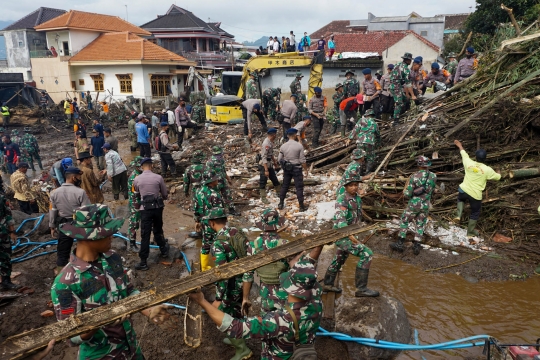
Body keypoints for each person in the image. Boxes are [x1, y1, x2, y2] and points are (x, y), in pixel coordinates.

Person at [51, 204, 173, 360]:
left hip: (131, 348)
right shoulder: (64, 284)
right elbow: (71, 337)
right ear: (89, 237)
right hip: (100, 355)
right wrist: (103, 318)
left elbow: (129, 292)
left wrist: (148, 310)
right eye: (107, 232)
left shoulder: (113, 259)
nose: (112, 235)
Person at [189, 246, 323, 360]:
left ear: (288, 287)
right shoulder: (317, 302)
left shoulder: (279, 320)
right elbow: (307, 277)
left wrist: (202, 301)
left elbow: (234, 326)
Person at [206, 207, 253, 359]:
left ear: (212, 223)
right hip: (243, 282)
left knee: (226, 317)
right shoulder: (236, 231)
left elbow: (223, 275)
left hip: (231, 286)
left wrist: (218, 299)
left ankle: (242, 349)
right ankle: (239, 338)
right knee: (238, 311)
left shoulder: (218, 244)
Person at [322, 174, 379, 297]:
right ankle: (361, 289)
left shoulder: (357, 198)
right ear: (346, 186)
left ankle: (327, 284)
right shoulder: (342, 199)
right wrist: (350, 235)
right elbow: (340, 220)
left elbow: (357, 217)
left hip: (351, 234)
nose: (354, 187)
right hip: (343, 236)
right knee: (367, 254)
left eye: (356, 185)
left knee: (339, 259)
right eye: (351, 185)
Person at [243, 209, 289, 316]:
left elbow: (247, 275)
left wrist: (245, 298)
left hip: (265, 294)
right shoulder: (286, 244)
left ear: (262, 225)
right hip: (284, 294)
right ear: (278, 224)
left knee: (267, 324)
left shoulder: (253, 246)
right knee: (285, 323)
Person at [453, 140, 501, 237]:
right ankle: (470, 233)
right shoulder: (488, 170)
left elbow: (464, 154)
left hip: (464, 189)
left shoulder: (468, 163)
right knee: (475, 212)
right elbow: (498, 177)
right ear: (485, 158)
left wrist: (460, 145)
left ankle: (458, 215)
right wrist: (499, 171)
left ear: (476, 157)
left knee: (460, 199)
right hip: (475, 195)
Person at [390, 156, 437, 254]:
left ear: (419, 165)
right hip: (425, 204)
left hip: (414, 204)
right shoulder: (433, 176)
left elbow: (408, 194)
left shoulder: (414, 176)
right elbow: (433, 190)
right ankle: (416, 245)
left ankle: (400, 243)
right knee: (420, 223)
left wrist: (406, 192)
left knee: (405, 220)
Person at [49, 166, 91, 270]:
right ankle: (84, 270)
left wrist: (52, 226)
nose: (80, 179)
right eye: (78, 177)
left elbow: (53, 210)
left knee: (63, 251)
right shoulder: (80, 192)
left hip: (64, 225)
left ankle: (61, 274)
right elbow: (87, 211)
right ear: (73, 178)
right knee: (84, 247)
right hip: (80, 223)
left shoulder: (54, 192)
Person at [132, 158, 170, 270]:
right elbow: (164, 194)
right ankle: (164, 250)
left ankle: (143, 262)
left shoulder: (137, 179)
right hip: (157, 208)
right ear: (151, 166)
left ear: (142, 167)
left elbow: (136, 194)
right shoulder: (158, 178)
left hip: (145, 209)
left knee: (145, 234)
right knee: (158, 230)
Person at [194, 169, 225, 271]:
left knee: (205, 244)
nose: (217, 180)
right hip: (213, 223)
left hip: (203, 222)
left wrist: (197, 221)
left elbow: (196, 208)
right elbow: (220, 212)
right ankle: (219, 264)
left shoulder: (198, 192)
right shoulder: (214, 194)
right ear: (211, 181)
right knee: (218, 243)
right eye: (215, 179)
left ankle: (204, 267)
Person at [278, 128, 308, 211]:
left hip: (287, 168)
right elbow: (302, 160)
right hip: (297, 168)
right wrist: (306, 169)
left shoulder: (283, 146)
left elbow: (279, 159)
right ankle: (301, 206)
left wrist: (284, 165)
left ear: (287, 135)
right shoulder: (299, 145)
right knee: (299, 187)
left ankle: (281, 203)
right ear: (295, 135)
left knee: (285, 186)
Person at [207, 146, 239, 216]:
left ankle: (231, 210)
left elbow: (223, 170)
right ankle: (218, 212)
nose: (220, 155)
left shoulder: (221, 160)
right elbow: (208, 175)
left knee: (227, 195)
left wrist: (228, 179)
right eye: (218, 154)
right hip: (215, 183)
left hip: (223, 181)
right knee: (216, 198)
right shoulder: (210, 162)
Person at [346, 108, 380, 173]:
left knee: (360, 157)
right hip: (370, 142)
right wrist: (378, 144)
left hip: (360, 142)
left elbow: (355, 130)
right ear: (372, 115)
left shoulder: (361, 120)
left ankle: (359, 172)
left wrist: (349, 139)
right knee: (370, 158)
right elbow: (378, 135)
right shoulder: (375, 123)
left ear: (366, 115)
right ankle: (367, 172)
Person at [0, 193, 21, 290]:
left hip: (2, 233)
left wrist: (12, 231)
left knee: (5, 257)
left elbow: (8, 214)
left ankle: (6, 281)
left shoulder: (1, 197)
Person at [389, 52, 417, 126]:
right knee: (399, 103)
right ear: (407, 60)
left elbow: (391, 75)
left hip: (394, 85)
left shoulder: (397, 65)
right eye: (410, 60)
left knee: (405, 99)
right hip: (396, 86)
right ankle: (395, 121)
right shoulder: (406, 69)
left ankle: (402, 113)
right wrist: (413, 95)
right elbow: (408, 84)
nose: (411, 62)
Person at [259, 128, 281, 204]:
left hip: (269, 163)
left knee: (274, 179)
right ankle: (263, 197)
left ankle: (279, 193)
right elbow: (264, 157)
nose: (276, 136)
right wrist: (266, 170)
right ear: (273, 135)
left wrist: (275, 162)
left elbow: (270, 154)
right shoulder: (266, 144)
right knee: (263, 181)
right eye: (275, 134)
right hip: (264, 165)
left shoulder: (270, 142)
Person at [127, 156, 142, 253]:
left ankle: (156, 239)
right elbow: (136, 193)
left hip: (143, 201)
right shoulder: (134, 178)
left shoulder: (142, 175)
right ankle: (132, 243)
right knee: (134, 222)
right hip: (135, 202)